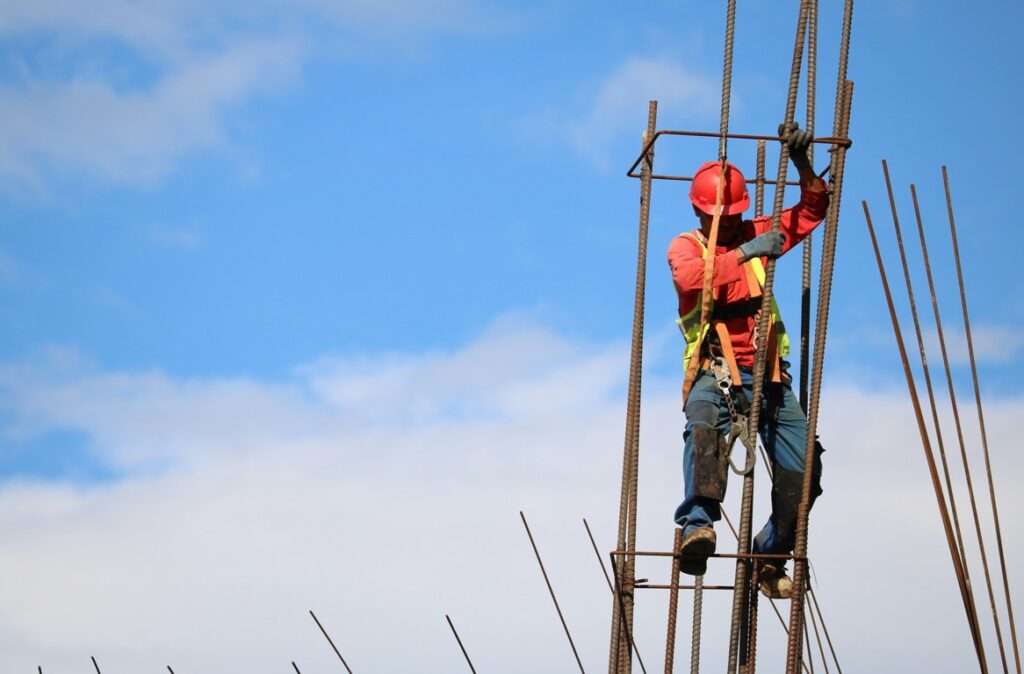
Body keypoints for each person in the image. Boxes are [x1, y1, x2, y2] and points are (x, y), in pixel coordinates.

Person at [666, 123, 827, 598]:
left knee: (805, 478)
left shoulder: (755, 233)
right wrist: (745, 251)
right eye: (723, 217)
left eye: (736, 216)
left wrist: (802, 166)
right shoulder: (686, 247)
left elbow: (811, 211)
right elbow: (693, 280)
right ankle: (698, 524)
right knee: (702, 427)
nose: (732, 223)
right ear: (700, 210)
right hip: (715, 372)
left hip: (769, 378)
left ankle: (768, 554)